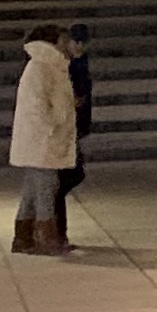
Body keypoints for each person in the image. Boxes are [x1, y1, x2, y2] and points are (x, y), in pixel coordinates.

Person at [8, 27, 78, 253]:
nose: (68, 44)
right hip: (42, 139)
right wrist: (54, 124)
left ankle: (23, 237)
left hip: (42, 138)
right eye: (64, 40)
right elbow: (37, 106)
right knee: (47, 188)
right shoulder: (41, 67)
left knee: (32, 190)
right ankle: (45, 238)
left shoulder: (51, 66)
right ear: (53, 42)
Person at [63, 22, 94, 208]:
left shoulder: (80, 61)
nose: (80, 46)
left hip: (78, 115)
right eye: (77, 42)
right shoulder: (70, 63)